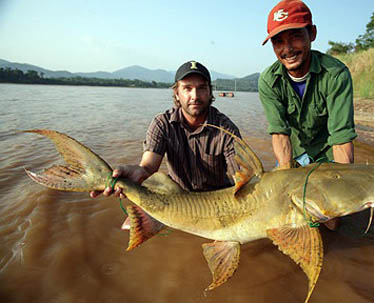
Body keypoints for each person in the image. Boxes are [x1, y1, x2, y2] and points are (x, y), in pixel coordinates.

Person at [259, 0, 357, 230]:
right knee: (284, 217)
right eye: (278, 41)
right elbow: (280, 134)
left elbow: (342, 139)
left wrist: (341, 191)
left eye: (295, 36)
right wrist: (287, 181)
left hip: (326, 151)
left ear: (312, 33)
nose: (287, 49)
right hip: (294, 153)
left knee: (332, 223)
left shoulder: (336, 75)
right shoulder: (268, 81)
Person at [90, 60, 241, 201]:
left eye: (201, 88)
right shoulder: (162, 124)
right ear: (176, 92)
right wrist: (131, 176)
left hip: (217, 200)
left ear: (209, 92)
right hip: (176, 198)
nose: (195, 96)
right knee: (132, 227)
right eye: (187, 88)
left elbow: (242, 177)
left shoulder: (226, 129)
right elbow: (148, 167)